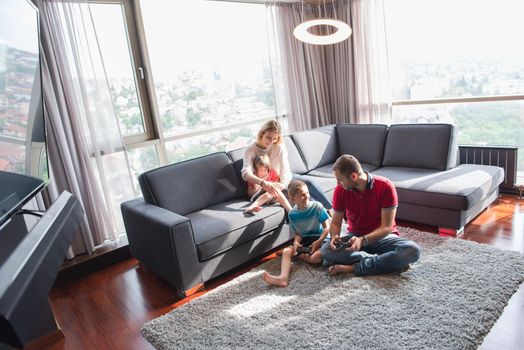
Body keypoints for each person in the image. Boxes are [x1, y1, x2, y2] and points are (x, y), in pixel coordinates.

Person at [320, 154, 421, 276]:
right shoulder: (340, 191)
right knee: (326, 250)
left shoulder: (385, 186)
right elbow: (336, 223)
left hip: (382, 237)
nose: (337, 184)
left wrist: (363, 240)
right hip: (354, 237)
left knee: (412, 250)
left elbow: (386, 227)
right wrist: (334, 235)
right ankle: (386, 260)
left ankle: (353, 268)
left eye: (340, 180)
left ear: (353, 176)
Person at [263, 180, 330, 287]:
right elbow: (299, 233)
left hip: (321, 238)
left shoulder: (317, 206)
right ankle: (283, 278)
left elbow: (327, 229)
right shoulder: (293, 214)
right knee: (286, 251)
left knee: (317, 258)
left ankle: (297, 256)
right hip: (306, 241)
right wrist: (296, 242)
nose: (307, 196)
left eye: (307, 193)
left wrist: (319, 241)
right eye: (302, 195)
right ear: (293, 199)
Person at [241, 120, 292, 212]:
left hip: (280, 181)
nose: (271, 142)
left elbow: (285, 171)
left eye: (274, 139)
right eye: (268, 137)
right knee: (274, 191)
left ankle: (325, 213)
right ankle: (291, 212)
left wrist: (283, 185)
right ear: (261, 134)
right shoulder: (250, 150)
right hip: (262, 186)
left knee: (306, 185)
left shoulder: (279, 147)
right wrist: (262, 183)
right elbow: (245, 173)